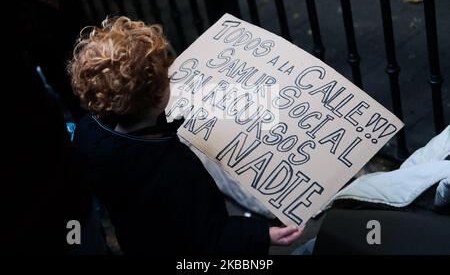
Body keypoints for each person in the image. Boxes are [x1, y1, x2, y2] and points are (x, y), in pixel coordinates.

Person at [68, 16, 303, 255]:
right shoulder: (172, 169)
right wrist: (263, 234)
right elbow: (208, 237)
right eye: (167, 76)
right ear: (158, 96)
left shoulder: (89, 133)